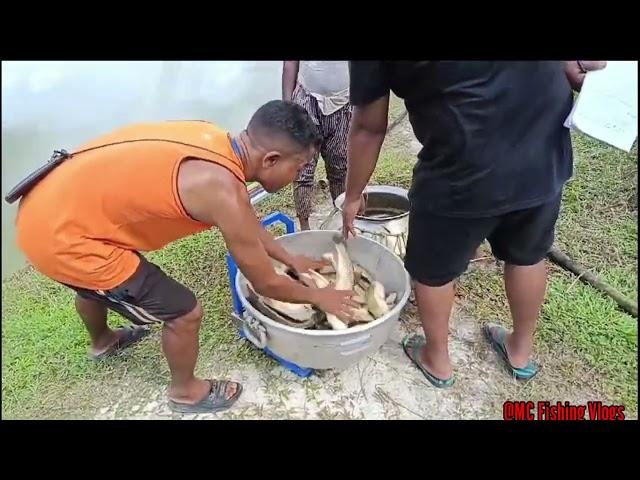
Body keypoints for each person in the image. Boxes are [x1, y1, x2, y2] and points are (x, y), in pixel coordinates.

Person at [14, 100, 357, 413]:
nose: (296, 176)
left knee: (88, 286)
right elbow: (265, 283)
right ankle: (185, 392)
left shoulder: (211, 136)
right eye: (297, 168)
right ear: (270, 160)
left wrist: (289, 258)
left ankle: (103, 341)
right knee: (185, 313)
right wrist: (319, 296)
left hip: (46, 208)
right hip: (65, 242)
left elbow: (244, 222)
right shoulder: (222, 189)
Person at [343, 61, 606, 387]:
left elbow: (369, 127)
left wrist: (353, 194)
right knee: (528, 255)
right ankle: (519, 352)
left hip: (463, 168)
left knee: (432, 270)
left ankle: (436, 359)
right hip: (542, 153)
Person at [282, 61, 353, 230]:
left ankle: (344, 223)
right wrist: (288, 107)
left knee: (340, 170)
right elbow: (289, 64)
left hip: (344, 102)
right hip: (307, 99)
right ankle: (305, 228)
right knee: (302, 169)